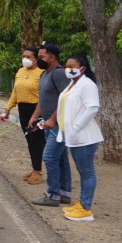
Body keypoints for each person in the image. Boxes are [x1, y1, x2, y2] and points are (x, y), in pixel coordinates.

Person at [57, 56, 104, 222]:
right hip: (73, 136)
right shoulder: (73, 84)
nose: (68, 69)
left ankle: (85, 209)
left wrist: (76, 127)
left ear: (82, 68)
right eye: (66, 66)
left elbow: (92, 108)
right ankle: (82, 203)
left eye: (72, 66)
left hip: (85, 137)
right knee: (83, 172)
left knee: (87, 173)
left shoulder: (87, 85)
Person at [28, 44, 72, 206]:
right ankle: (64, 193)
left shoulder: (59, 73)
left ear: (52, 58)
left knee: (49, 157)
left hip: (58, 125)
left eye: (41, 57)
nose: (38, 60)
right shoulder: (44, 74)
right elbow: (43, 99)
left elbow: (67, 98)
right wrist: (34, 117)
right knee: (60, 158)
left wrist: (53, 119)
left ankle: (53, 195)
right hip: (47, 124)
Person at [2, 47, 45, 184]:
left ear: (35, 59)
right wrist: (8, 108)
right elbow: (15, 92)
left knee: (36, 141)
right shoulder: (20, 71)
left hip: (37, 109)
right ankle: (34, 168)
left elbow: (44, 95)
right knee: (29, 141)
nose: (25, 59)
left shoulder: (42, 73)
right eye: (23, 56)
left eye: (28, 56)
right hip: (23, 109)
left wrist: (36, 115)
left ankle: (38, 172)